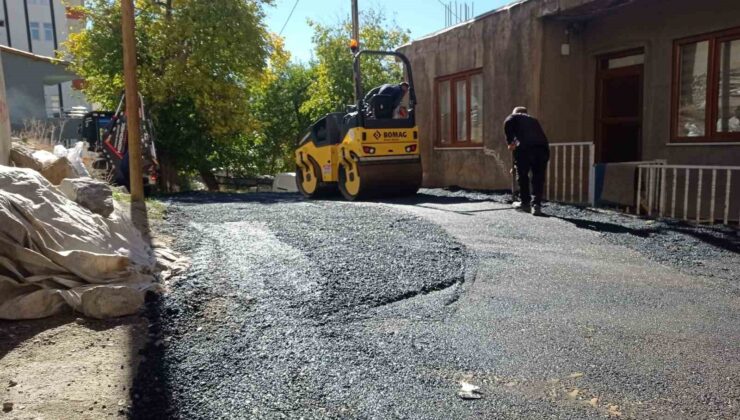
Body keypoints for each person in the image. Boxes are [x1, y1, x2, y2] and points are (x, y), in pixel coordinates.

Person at [503, 106, 550, 216]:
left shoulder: (512, 118)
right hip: (543, 150)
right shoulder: (533, 120)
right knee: (538, 178)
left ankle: (525, 203)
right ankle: (536, 205)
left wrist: (510, 143)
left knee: (523, 175)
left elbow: (513, 143)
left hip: (526, 150)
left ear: (516, 113)